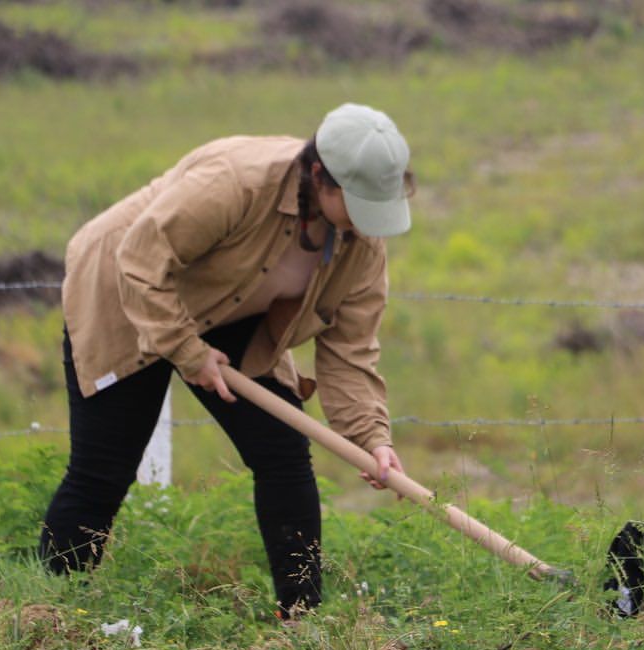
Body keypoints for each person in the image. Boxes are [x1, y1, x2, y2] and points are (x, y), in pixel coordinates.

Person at [39, 103, 413, 619]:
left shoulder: (362, 243)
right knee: (102, 471)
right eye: (359, 201)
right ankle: (49, 615)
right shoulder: (236, 181)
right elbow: (140, 262)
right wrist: (190, 353)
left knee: (283, 453)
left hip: (231, 307)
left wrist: (373, 439)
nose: (368, 222)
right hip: (126, 291)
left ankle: (302, 621)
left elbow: (350, 351)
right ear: (320, 175)